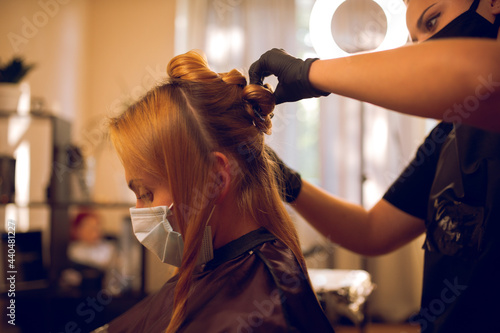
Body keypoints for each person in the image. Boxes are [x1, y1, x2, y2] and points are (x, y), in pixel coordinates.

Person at [249, 0, 500, 332]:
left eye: (433, 21)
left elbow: (474, 77)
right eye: (414, 41)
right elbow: (372, 231)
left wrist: (311, 73)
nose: (422, 49)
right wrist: (285, 180)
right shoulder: (447, 137)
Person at [91, 50, 335, 333]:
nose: (139, 212)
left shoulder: (260, 311)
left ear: (216, 179)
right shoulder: (221, 267)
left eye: (146, 193)